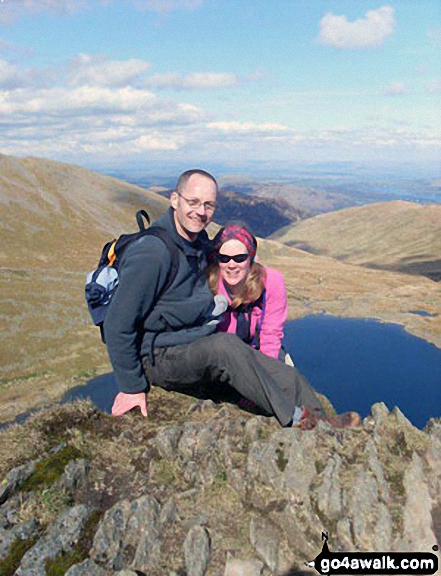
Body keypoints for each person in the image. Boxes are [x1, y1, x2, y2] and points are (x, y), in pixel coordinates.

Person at [104, 169, 361, 429]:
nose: (200, 211)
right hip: (159, 356)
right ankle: (295, 420)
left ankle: (321, 417)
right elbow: (117, 323)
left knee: (275, 363)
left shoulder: (197, 242)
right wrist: (132, 387)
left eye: (208, 205)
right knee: (224, 347)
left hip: (189, 344)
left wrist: (247, 262)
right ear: (174, 200)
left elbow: (234, 255)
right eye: (193, 202)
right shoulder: (153, 251)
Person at [207, 223, 288, 361]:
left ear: (251, 258)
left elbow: (271, 335)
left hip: (253, 353)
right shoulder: (206, 283)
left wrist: (265, 371)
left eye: (239, 258)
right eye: (224, 258)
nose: (231, 265)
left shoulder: (271, 281)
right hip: (216, 356)